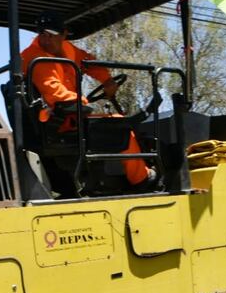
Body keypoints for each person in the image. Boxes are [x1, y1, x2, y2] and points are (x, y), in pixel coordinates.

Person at [20, 11, 153, 189]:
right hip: (57, 121)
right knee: (121, 126)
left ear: (64, 34)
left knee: (113, 123)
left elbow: (88, 62)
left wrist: (107, 80)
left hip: (70, 114)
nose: (46, 40)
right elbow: (55, 94)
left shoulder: (68, 50)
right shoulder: (35, 56)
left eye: (51, 35)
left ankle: (101, 179)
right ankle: (142, 180)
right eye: (42, 34)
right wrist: (83, 102)